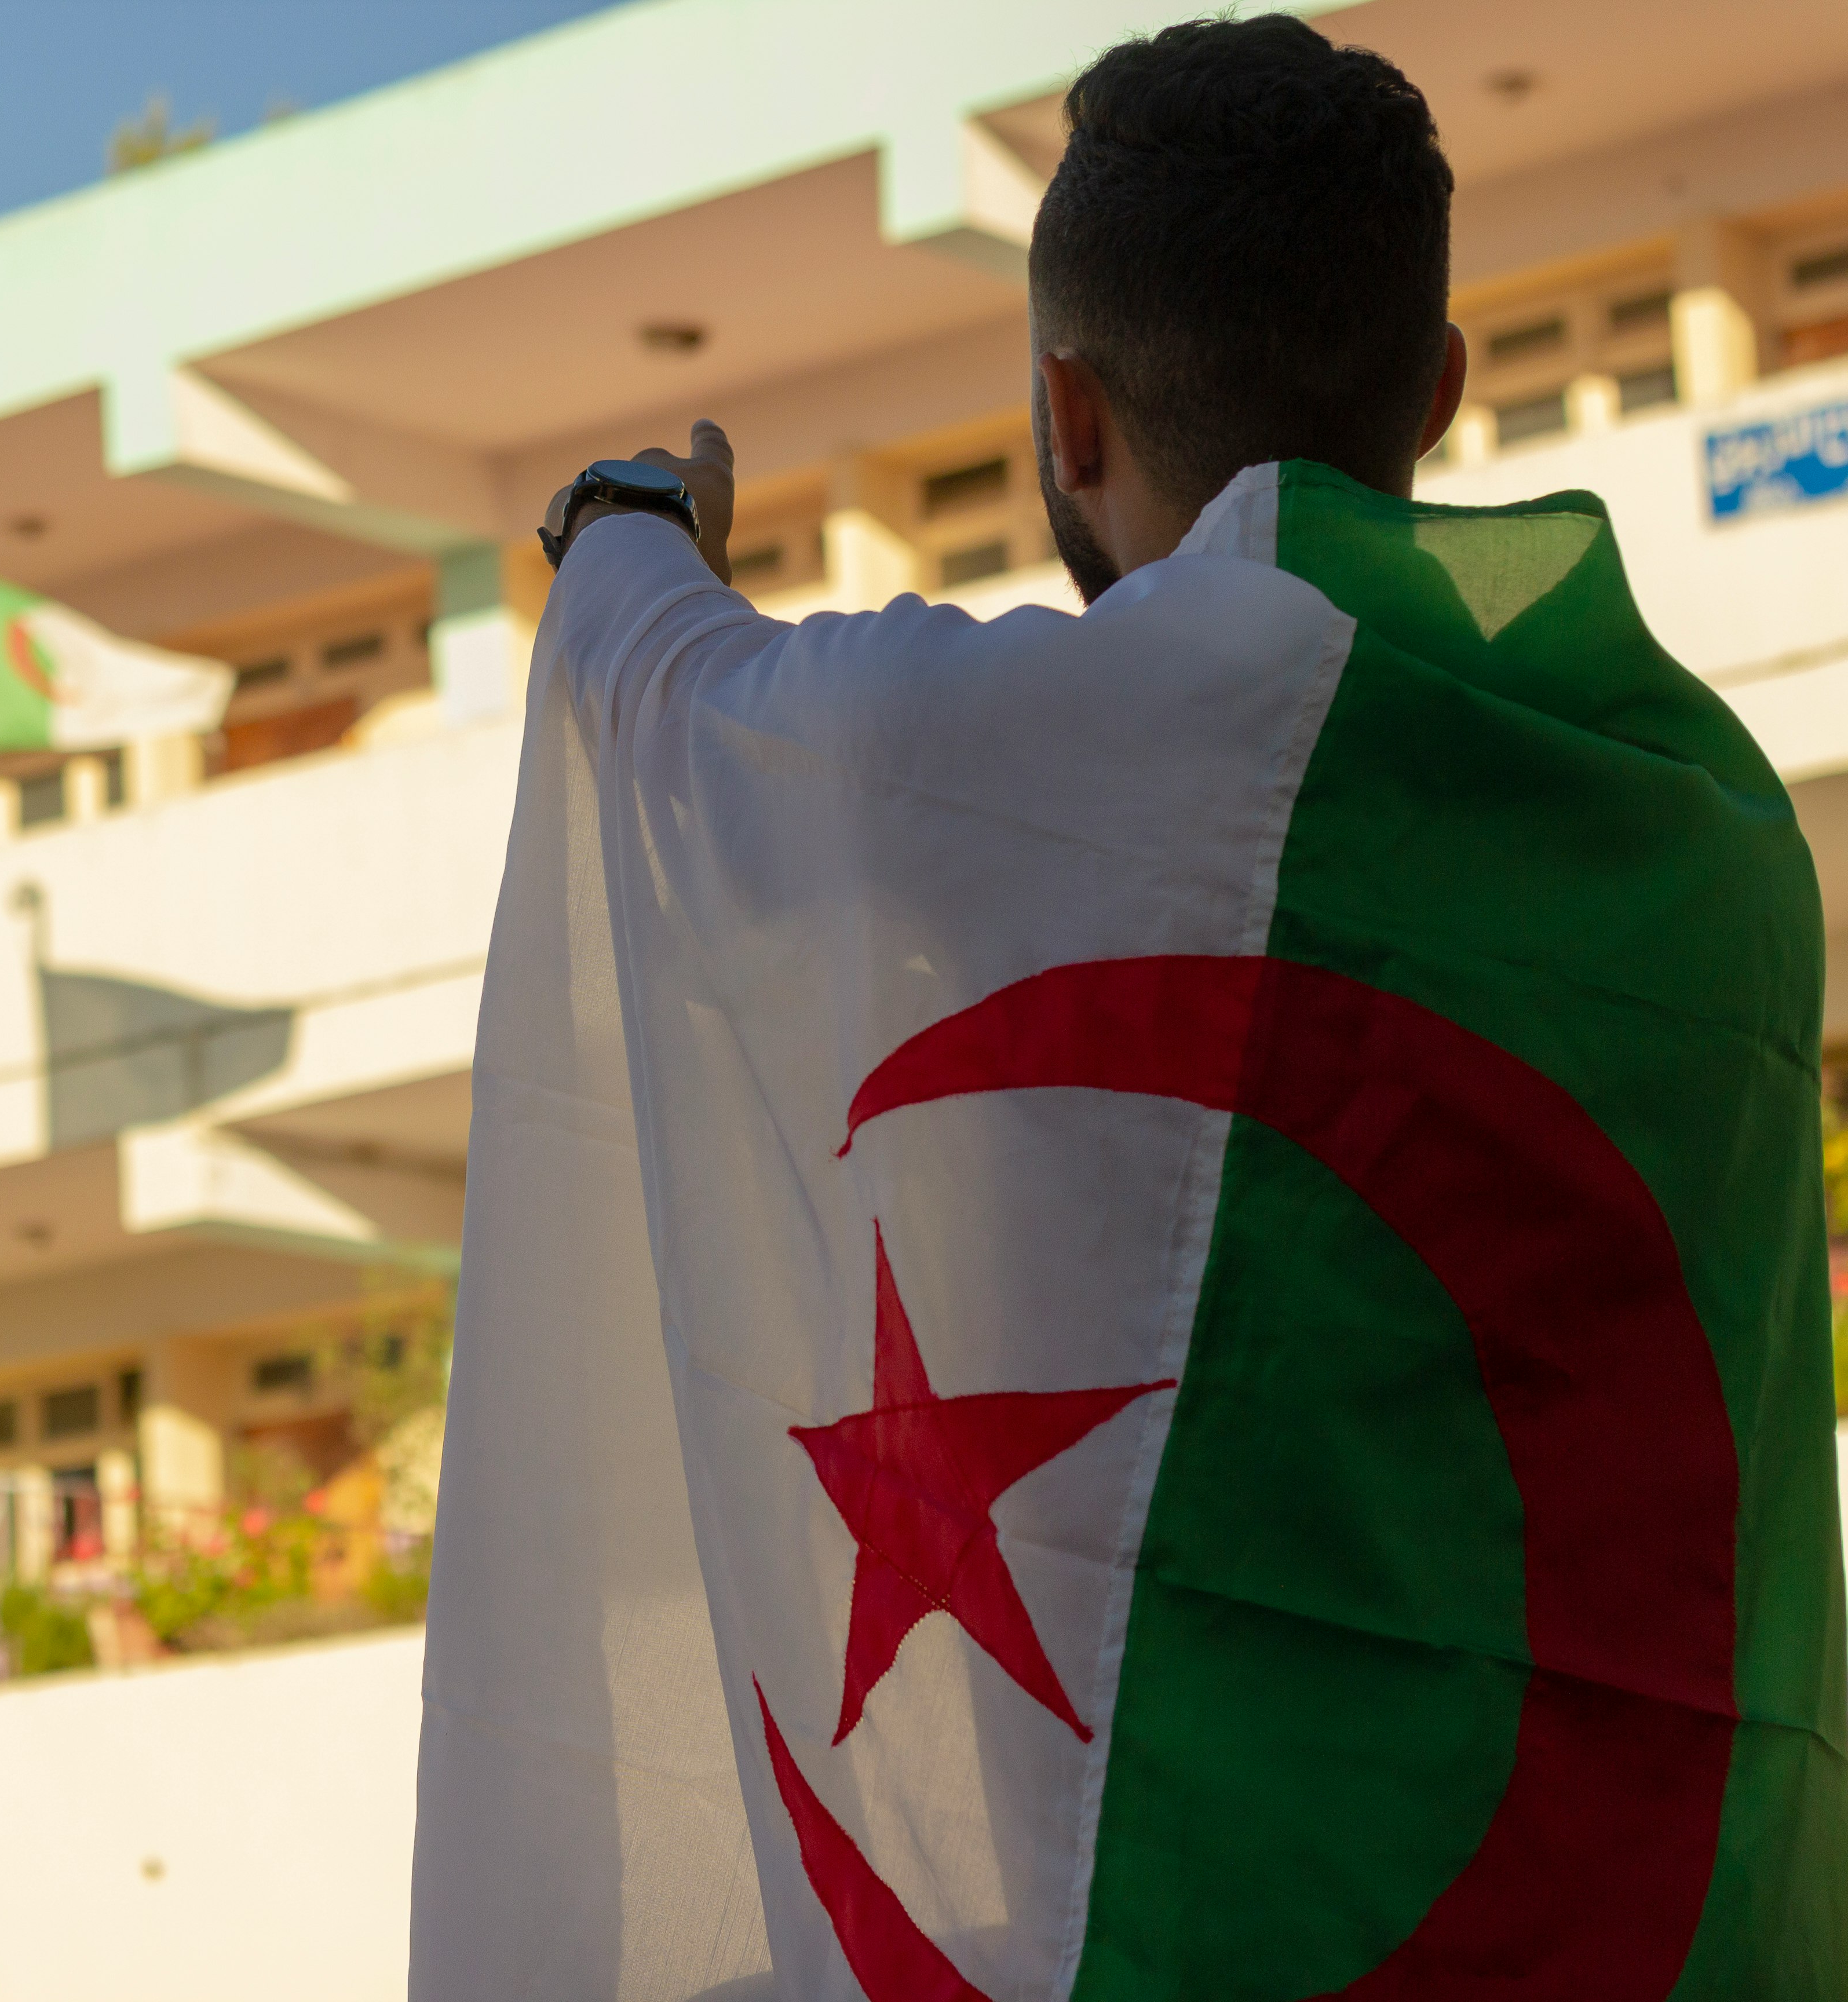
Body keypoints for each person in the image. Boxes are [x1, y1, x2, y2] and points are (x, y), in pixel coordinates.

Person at [413, 16, 1846, 2002]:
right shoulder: (1708, 833)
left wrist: (621, 521)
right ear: (1435, 394)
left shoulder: (1056, 758)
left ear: (1066, 419)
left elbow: (687, 714)